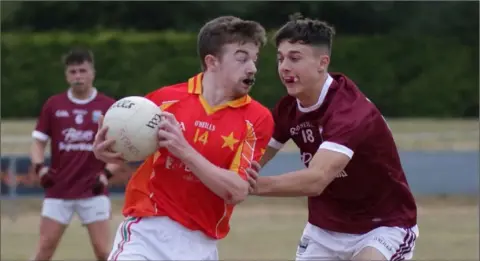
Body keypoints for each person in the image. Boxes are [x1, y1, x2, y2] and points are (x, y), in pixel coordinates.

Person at [92, 16, 274, 260]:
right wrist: (107, 152)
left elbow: (236, 191)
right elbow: (128, 148)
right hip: (147, 233)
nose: (252, 67)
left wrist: (184, 150)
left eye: (254, 59)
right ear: (212, 62)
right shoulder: (164, 101)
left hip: (201, 245)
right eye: (242, 58)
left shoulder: (258, 118)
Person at [247, 15, 419, 261]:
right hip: (324, 229)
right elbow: (250, 160)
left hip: (382, 224)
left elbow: (315, 181)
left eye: (295, 58)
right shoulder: (288, 109)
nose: (284, 66)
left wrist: (248, 186)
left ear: (322, 62)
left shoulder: (349, 111)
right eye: (280, 58)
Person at [30, 48, 122, 261]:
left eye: (82, 70)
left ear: (93, 72)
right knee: (44, 249)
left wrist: (105, 175)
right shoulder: (54, 105)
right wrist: (40, 168)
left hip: (93, 190)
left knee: (104, 252)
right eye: (73, 72)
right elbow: (38, 143)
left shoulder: (108, 106)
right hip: (58, 190)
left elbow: (119, 151)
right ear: (66, 75)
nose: (78, 76)